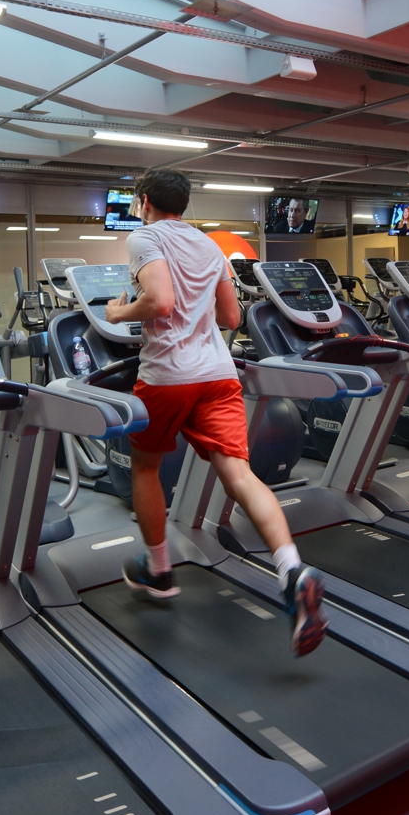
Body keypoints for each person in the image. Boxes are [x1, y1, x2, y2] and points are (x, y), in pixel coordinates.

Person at [106, 168, 328, 655]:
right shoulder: (209, 246)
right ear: (183, 204)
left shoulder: (143, 238)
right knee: (241, 474)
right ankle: (292, 570)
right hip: (217, 373)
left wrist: (119, 312)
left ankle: (159, 569)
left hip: (167, 376)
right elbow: (231, 317)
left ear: (144, 201)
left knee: (145, 466)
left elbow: (160, 302)